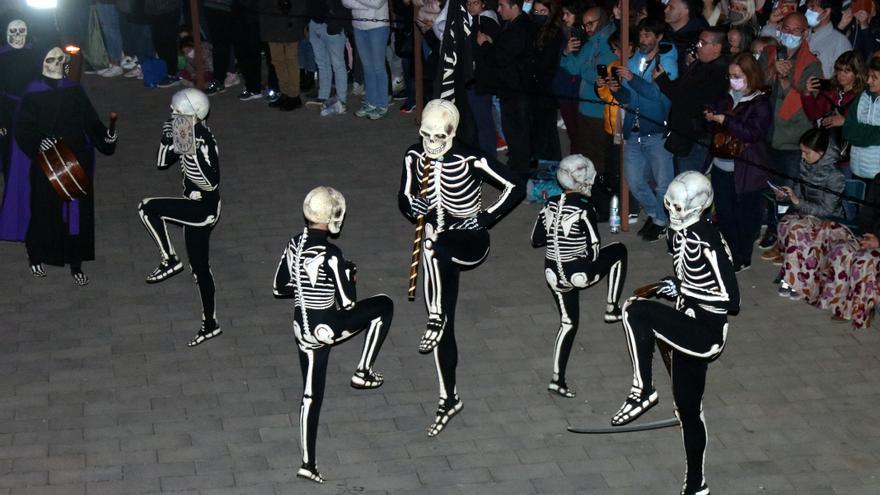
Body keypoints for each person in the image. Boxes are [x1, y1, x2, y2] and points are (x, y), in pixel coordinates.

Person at [398, 99, 524, 437]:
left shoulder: (470, 158)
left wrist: (486, 217)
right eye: (426, 135)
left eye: (438, 137)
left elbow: (515, 185)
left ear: (451, 133)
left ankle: (436, 316)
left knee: (437, 255)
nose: (431, 143)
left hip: (469, 241)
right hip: (434, 248)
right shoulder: (415, 155)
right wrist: (414, 205)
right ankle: (448, 397)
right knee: (444, 324)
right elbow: (404, 196)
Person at [613, 171, 739, 495]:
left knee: (634, 310)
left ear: (696, 207)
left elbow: (730, 299)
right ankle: (696, 484)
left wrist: (683, 288)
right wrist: (676, 287)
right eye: (668, 206)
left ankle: (643, 391)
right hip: (685, 322)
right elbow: (689, 276)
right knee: (687, 408)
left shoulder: (707, 239)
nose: (671, 213)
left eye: (677, 207)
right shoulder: (677, 234)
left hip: (705, 331)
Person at [273, 187, 393, 484]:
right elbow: (347, 302)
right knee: (383, 307)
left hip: (302, 329)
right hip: (327, 326)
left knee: (310, 395)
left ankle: (307, 463)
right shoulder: (331, 254)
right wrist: (349, 274)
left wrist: (305, 288)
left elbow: (279, 287)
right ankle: (363, 371)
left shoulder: (293, 243)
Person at [14, 45, 118, 284]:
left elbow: (90, 122)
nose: (58, 64)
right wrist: (39, 142)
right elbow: (23, 129)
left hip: (75, 158)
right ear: (40, 63)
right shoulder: (31, 94)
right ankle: (37, 256)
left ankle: (76, 262)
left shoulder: (74, 90)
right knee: (44, 210)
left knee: (76, 213)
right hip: (46, 162)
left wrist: (106, 138)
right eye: (51, 59)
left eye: (61, 59)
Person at [530, 154, 627, 398]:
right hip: (579, 273)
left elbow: (536, 239)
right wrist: (581, 253)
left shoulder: (550, 203)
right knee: (618, 251)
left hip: (553, 273)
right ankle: (612, 307)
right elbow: (595, 247)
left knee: (568, 323)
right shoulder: (585, 207)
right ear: (583, 181)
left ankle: (557, 379)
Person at [138, 89, 221, 346]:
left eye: (177, 112)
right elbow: (163, 162)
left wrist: (192, 152)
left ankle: (170, 259)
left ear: (192, 114)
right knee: (200, 269)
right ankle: (211, 323)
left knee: (148, 207)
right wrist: (168, 138)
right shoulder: (187, 129)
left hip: (203, 208)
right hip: (193, 206)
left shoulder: (203, 138)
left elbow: (210, 182)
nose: (172, 114)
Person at [603, 17, 678, 242]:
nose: (643, 40)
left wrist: (632, 79)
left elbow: (657, 95)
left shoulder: (667, 62)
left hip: (656, 131)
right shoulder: (635, 59)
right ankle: (658, 217)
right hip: (633, 130)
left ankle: (659, 221)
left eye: (648, 35)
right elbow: (628, 97)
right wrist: (616, 90)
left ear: (659, 37)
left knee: (663, 183)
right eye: (641, 35)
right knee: (634, 181)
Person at [756, 12, 822, 249]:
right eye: (787, 29)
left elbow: (811, 98)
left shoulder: (812, 62)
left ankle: (787, 237)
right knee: (770, 186)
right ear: (780, 28)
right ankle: (772, 227)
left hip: (795, 139)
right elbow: (757, 82)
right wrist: (772, 69)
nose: (791, 35)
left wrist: (785, 80)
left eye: (797, 31)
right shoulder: (769, 53)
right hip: (769, 132)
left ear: (805, 33)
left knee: (790, 191)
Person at [705, 52, 772, 272]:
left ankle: (742, 257)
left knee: (744, 217)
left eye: (738, 75)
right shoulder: (727, 96)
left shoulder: (760, 103)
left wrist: (726, 120)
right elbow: (715, 119)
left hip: (746, 170)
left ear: (750, 75)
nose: (733, 80)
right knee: (724, 214)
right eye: (731, 76)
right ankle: (729, 253)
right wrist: (711, 115)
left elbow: (753, 133)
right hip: (721, 166)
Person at [774, 128, 846, 298]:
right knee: (785, 224)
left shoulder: (835, 175)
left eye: (806, 152)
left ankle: (798, 281)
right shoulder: (806, 165)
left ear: (820, 152)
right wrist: (787, 195)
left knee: (799, 230)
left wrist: (798, 202)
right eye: (802, 152)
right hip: (808, 216)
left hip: (831, 221)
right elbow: (798, 194)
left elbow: (828, 210)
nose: (803, 156)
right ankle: (793, 276)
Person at [656, 26, 729, 175]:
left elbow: (687, 100)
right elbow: (682, 87)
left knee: (688, 182)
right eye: (698, 42)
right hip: (684, 134)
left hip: (696, 138)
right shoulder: (701, 64)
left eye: (703, 43)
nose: (698, 46)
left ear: (717, 47)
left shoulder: (717, 72)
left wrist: (662, 80)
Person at [478, 0, 537, 179]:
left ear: (514, 7)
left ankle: (519, 175)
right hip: (515, 87)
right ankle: (518, 168)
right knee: (516, 133)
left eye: (502, 5)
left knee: (517, 133)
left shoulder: (519, 29)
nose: (498, 9)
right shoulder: (515, 24)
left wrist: (485, 44)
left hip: (516, 90)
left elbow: (501, 57)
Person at [559, 6, 616, 177]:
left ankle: (600, 190)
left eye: (591, 24)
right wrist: (566, 53)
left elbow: (603, 73)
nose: (587, 29)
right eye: (585, 25)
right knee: (586, 152)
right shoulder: (591, 42)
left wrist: (586, 70)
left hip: (600, 109)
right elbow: (574, 67)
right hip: (584, 107)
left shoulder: (611, 42)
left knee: (599, 154)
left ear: (602, 21)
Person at [819, 171, 880, 328]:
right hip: (873, 236)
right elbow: (867, 213)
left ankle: (862, 311)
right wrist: (865, 235)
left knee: (865, 259)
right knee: (842, 250)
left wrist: (878, 241)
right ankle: (842, 306)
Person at [0, 14, 37, 242]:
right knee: (8, 159)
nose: (17, 36)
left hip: (31, 111)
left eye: (21, 31)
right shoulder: (1, 58)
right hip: (8, 111)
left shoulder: (35, 54)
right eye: (12, 31)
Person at [801, 50, 867, 164]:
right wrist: (807, 94)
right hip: (825, 151)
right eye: (839, 70)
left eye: (847, 71)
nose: (841, 75)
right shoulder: (830, 89)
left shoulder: (864, 96)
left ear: (857, 73)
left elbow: (869, 127)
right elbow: (813, 115)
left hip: (851, 156)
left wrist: (845, 122)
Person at [343, 0, 391, 119]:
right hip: (358, 26)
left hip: (378, 26)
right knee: (367, 67)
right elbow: (345, 2)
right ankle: (370, 102)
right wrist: (366, 6)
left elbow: (377, 3)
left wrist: (358, 4)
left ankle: (382, 104)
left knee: (378, 67)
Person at [529, 0, 563, 162]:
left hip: (546, 88)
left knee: (547, 129)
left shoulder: (555, 34)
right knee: (537, 129)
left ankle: (551, 164)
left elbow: (549, 63)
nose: (538, 15)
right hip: (533, 88)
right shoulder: (533, 29)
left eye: (543, 12)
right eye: (536, 12)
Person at [468, 0, 502, 157]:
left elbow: (490, 48)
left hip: (482, 78)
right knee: (480, 119)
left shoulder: (486, 20)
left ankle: (488, 157)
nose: (470, 6)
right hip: (478, 77)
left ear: (483, 4)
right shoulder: (475, 20)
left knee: (484, 120)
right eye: (468, 3)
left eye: (475, 2)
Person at [259, 0, 306, 111]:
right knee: (277, 61)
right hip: (271, 24)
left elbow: (302, 5)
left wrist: (293, 17)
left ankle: (294, 95)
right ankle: (285, 92)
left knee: (291, 61)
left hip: (290, 23)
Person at [553, 0, 586, 152]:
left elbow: (576, 67)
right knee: (574, 134)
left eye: (568, 14)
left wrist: (566, 54)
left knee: (580, 135)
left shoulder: (582, 35)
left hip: (579, 92)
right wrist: (564, 53)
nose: (564, 18)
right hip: (565, 90)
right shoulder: (562, 34)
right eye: (563, 14)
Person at [307, 0, 351, 116]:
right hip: (314, 22)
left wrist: (336, 24)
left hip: (332, 24)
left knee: (338, 64)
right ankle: (323, 95)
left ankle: (341, 100)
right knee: (321, 63)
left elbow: (344, 6)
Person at [842, 55, 880, 188]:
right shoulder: (862, 96)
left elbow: (854, 131)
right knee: (853, 207)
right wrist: (873, 133)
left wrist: (859, 132)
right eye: (868, 76)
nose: (869, 81)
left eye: (874, 77)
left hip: (877, 176)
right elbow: (847, 130)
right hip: (857, 170)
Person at [802, 0, 853, 79]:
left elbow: (842, 79)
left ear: (826, 12)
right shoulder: (800, 33)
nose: (808, 11)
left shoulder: (840, 42)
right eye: (807, 7)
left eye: (812, 7)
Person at [664, 0, 708, 73]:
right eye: (667, 6)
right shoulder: (660, 28)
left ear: (686, 11)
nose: (665, 10)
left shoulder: (698, 40)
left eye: (671, 7)